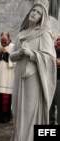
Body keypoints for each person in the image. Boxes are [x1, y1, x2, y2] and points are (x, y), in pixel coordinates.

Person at [9, 3, 56, 141]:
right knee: (17, 109)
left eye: (38, 12)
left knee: (29, 110)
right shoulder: (21, 34)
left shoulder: (44, 34)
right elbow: (11, 56)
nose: (34, 13)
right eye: (33, 10)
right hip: (19, 76)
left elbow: (50, 59)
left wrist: (31, 54)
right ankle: (18, 136)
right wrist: (19, 53)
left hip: (33, 79)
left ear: (42, 17)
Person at [49, 35, 60, 125]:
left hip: (59, 81)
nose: (58, 41)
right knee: (50, 105)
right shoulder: (52, 51)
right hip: (50, 80)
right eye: (57, 39)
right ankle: (50, 124)